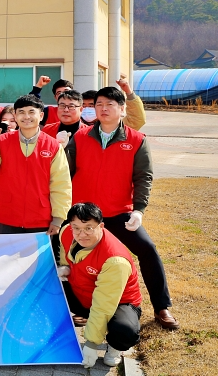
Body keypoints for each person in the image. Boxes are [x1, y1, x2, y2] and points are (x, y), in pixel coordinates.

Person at [65, 86, 178, 330]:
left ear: (122, 109)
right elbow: (65, 174)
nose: (103, 109)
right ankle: (76, 309)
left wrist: (138, 210)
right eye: (99, 105)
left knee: (147, 249)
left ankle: (162, 307)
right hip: (84, 217)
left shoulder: (136, 140)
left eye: (110, 104)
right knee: (66, 259)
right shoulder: (81, 137)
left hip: (118, 213)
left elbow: (143, 177)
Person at [59, 202, 143, 368]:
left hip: (117, 302)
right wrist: (65, 267)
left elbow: (103, 304)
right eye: (76, 228)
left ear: (101, 226)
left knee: (125, 331)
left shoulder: (115, 260)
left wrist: (91, 343)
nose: (81, 234)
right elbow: (64, 252)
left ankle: (114, 347)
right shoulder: (66, 232)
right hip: (82, 292)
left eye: (89, 228)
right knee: (44, 287)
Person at [0, 94, 71, 238]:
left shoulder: (53, 146)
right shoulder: (1, 141)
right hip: (8, 217)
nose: (26, 116)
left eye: (31, 112)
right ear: (15, 115)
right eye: (21, 112)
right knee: (8, 259)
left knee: (38, 261)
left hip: (40, 218)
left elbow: (61, 184)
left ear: (41, 115)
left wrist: (58, 218)